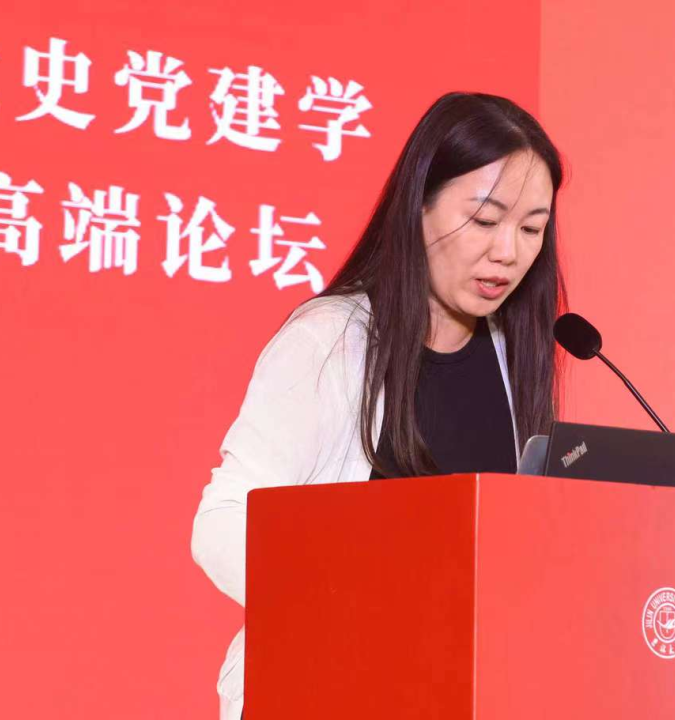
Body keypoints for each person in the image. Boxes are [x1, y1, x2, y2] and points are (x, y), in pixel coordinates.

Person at [189, 91, 568, 720]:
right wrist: (347, 602)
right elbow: (222, 520)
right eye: (484, 220)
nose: (509, 251)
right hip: (332, 690)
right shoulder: (332, 340)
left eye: (531, 229)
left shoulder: (515, 357)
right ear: (419, 206)